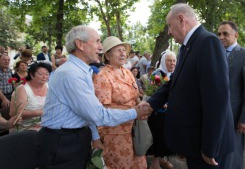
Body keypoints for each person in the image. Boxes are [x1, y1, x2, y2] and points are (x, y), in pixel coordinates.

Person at [36, 25, 151, 169]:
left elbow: (86, 112)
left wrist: (95, 137)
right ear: (80, 44)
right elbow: (97, 114)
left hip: (75, 137)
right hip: (62, 142)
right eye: (97, 41)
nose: (100, 47)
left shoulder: (83, 71)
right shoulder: (71, 74)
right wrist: (136, 112)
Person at [140, 3, 235, 169]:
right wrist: (151, 103)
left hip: (207, 148)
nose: (169, 31)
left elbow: (217, 100)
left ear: (181, 19)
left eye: (170, 25)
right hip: (194, 141)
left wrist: (210, 147)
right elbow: (175, 82)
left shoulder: (208, 42)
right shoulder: (188, 46)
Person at [93, 36, 147, 169]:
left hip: (135, 129)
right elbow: (103, 111)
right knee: (120, 165)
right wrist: (135, 111)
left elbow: (136, 97)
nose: (123, 53)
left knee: (139, 164)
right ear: (107, 55)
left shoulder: (127, 73)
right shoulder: (103, 76)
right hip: (114, 133)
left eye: (124, 50)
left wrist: (141, 105)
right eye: (118, 50)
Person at [217, 21, 245, 169]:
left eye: (225, 34)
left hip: (235, 119)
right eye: (219, 34)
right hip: (217, 117)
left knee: (232, 157)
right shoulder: (216, 54)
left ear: (236, 35)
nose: (221, 37)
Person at [146, 51, 176, 169]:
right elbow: (154, 95)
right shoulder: (157, 74)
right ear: (164, 61)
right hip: (158, 114)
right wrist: (167, 106)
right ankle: (155, 163)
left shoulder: (174, 74)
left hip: (169, 114)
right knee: (158, 137)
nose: (172, 63)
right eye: (169, 60)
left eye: (174, 61)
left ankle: (162, 159)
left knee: (166, 138)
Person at [10, 62, 52, 132]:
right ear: (32, 75)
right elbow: (16, 113)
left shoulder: (49, 86)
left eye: (47, 74)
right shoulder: (22, 89)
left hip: (46, 125)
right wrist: (39, 112)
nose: (44, 77)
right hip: (26, 128)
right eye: (41, 74)